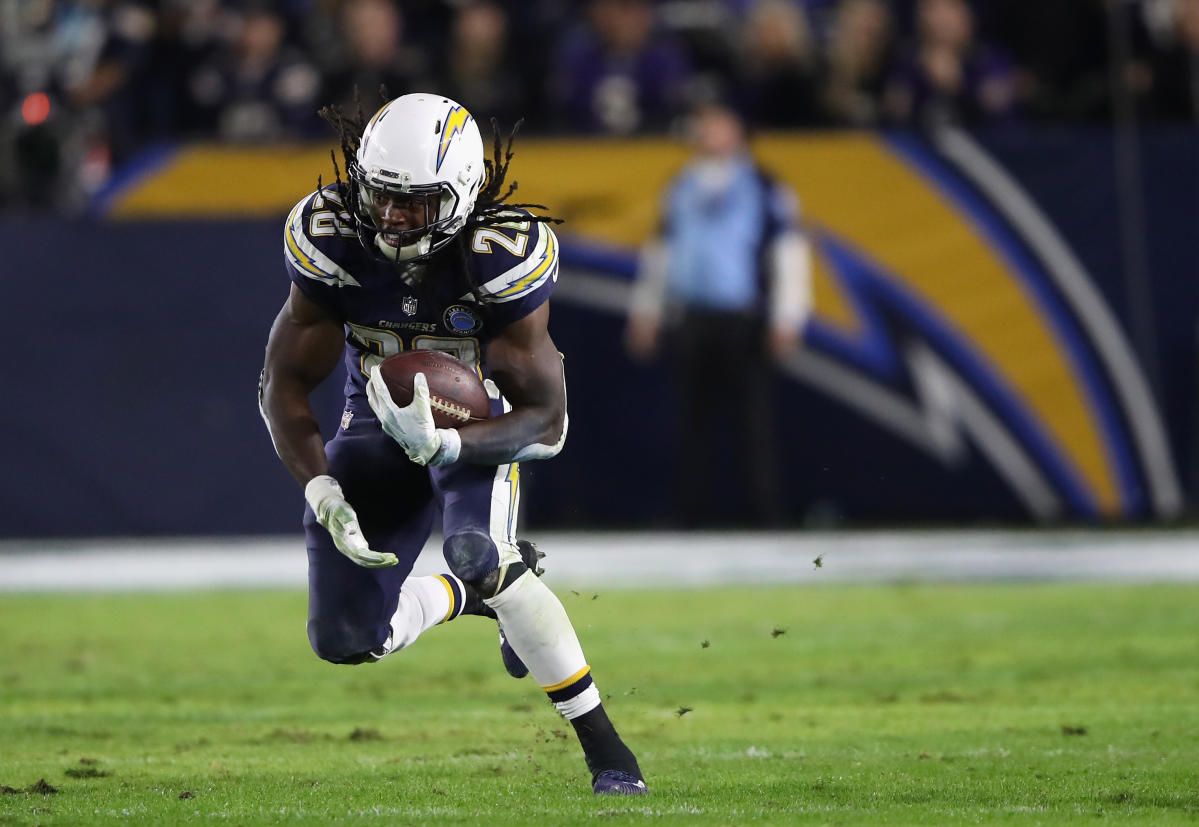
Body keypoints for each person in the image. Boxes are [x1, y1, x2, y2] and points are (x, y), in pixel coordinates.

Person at [258, 92, 646, 796]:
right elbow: (281, 384)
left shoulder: (496, 259)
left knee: (481, 552)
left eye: (418, 202)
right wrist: (319, 486)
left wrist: (448, 446)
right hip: (374, 422)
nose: (394, 216)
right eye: (381, 195)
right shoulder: (330, 239)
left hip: (479, 425)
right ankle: (467, 595)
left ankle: (607, 750)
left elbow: (547, 421)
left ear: (461, 194)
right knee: (345, 640)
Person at [624, 100, 811, 527]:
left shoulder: (764, 185)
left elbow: (788, 252)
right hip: (691, 317)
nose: (707, 131)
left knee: (753, 423)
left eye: (717, 123)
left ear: (739, 130)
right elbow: (661, 251)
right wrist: (646, 311)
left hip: (742, 318)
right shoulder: (682, 184)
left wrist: (788, 316)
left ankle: (766, 514)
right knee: (689, 422)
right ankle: (689, 514)